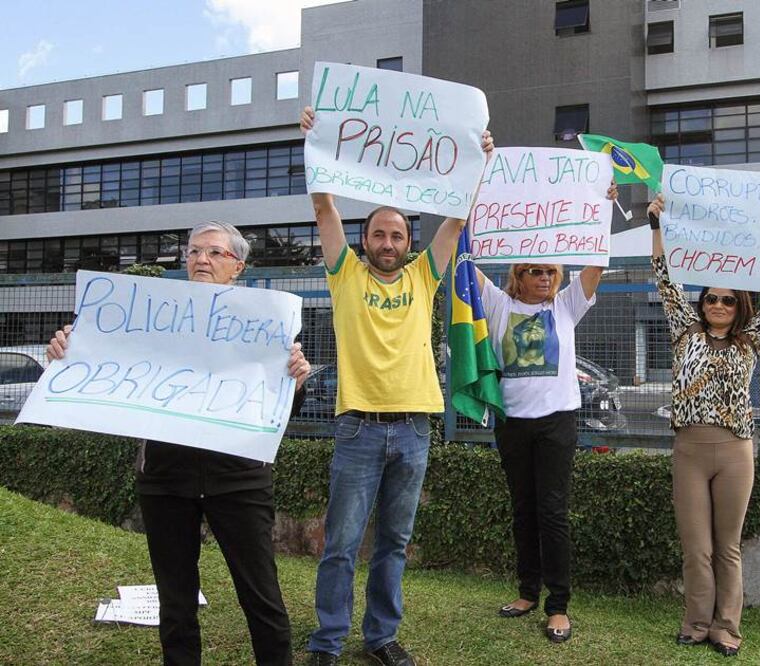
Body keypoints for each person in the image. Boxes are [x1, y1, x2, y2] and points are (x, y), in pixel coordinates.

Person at [46, 220, 311, 666]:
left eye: (214, 252)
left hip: (240, 479)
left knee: (261, 597)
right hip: (165, 479)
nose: (201, 259)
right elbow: (108, 359)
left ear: (238, 266)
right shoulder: (152, 316)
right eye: (193, 252)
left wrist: (296, 383)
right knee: (175, 602)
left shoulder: (265, 323)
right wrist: (68, 352)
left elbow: (281, 409)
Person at [300, 106, 493, 666]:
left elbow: (456, 218)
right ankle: (327, 643)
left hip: (413, 429)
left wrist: (477, 160)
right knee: (341, 545)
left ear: (409, 241)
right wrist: (316, 143)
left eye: (398, 234)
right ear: (364, 240)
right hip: (357, 429)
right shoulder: (344, 273)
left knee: (394, 544)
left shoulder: (423, 274)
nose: (388, 242)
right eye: (379, 234)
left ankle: (380, 638)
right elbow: (323, 207)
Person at [646, 194, 760, 657]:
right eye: (711, 298)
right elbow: (664, 278)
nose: (718, 304)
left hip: (734, 453)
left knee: (727, 547)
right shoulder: (684, 332)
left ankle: (727, 628)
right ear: (702, 303)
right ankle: (695, 622)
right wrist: (657, 225)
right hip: (689, 451)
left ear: (738, 304)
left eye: (727, 299)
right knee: (696, 548)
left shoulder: (750, 340)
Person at [474, 182, 617, 644]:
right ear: (518, 274)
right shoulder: (498, 304)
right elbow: (464, 261)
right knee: (523, 510)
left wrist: (602, 208)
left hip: (558, 422)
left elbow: (596, 261)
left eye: (550, 271)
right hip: (512, 423)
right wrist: (468, 193)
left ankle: (558, 606)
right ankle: (526, 593)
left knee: (552, 511)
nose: (543, 278)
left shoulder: (566, 305)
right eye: (534, 271)